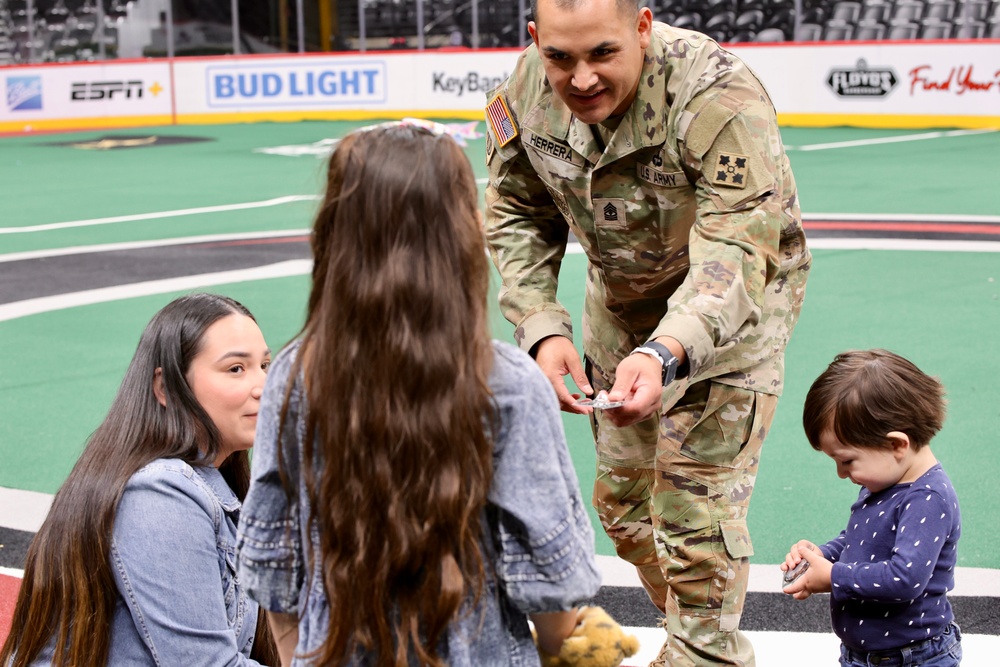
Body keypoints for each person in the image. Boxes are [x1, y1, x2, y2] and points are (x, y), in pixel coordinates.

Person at [483, 0, 811, 664]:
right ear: (535, 40)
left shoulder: (717, 91)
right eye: (560, 57)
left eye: (602, 54)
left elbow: (736, 251)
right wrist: (543, 328)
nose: (580, 80)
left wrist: (667, 350)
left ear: (642, 27)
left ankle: (702, 651)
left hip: (730, 314)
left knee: (695, 515)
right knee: (625, 506)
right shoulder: (523, 89)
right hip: (621, 310)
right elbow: (516, 212)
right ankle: (692, 623)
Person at [235, 122, 607, 667]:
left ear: (335, 232)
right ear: (461, 232)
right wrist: (568, 654)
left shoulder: (295, 374)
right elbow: (550, 582)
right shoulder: (504, 382)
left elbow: (274, 569)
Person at [0, 293, 278, 667]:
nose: (264, 385)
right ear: (164, 388)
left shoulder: (209, 488)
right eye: (235, 369)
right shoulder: (160, 492)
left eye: (265, 365)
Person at [782, 349, 962, 667]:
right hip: (864, 655)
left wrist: (834, 576)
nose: (841, 473)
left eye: (847, 461)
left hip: (914, 657)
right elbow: (863, 536)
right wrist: (824, 554)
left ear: (896, 445)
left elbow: (904, 579)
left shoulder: (928, 500)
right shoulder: (885, 480)